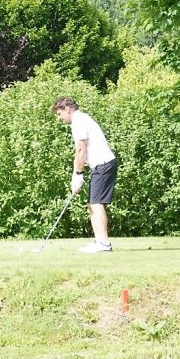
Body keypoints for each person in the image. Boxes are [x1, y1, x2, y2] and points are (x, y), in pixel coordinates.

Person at [52, 97, 117, 253]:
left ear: (67, 109)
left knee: (96, 203)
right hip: (101, 165)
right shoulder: (81, 119)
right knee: (91, 204)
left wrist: (78, 174)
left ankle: (104, 243)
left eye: (60, 113)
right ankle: (99, 241)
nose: (59, 118)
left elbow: (81, 150)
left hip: (104, 164)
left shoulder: (79, 122)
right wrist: (77, 174)